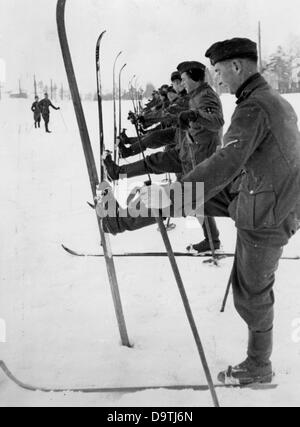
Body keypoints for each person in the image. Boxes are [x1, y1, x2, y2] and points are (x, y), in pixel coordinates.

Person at [98, 38, 300, 386]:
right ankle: (120, 219)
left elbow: (224, 161)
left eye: (220, 71)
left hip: (266, 212)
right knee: (179, 198)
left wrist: (182, 189)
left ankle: (258, 367)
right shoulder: (270, 102)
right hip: (257, 194)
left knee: (252, 293)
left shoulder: (255, 107)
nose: (218, 80)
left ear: (237, 67)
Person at [105, 61, 223, 254]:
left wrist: (194, 115)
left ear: (194, 77)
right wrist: (147, 119)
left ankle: (118, 221)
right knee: (188, 198)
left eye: (184, 80)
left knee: (172, 201)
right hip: (188, 152)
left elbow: (216, 120)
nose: (182, 84)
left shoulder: (206, 96)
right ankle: (212, 239)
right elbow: (172, 114)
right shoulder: (196, 95)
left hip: (198, 158)